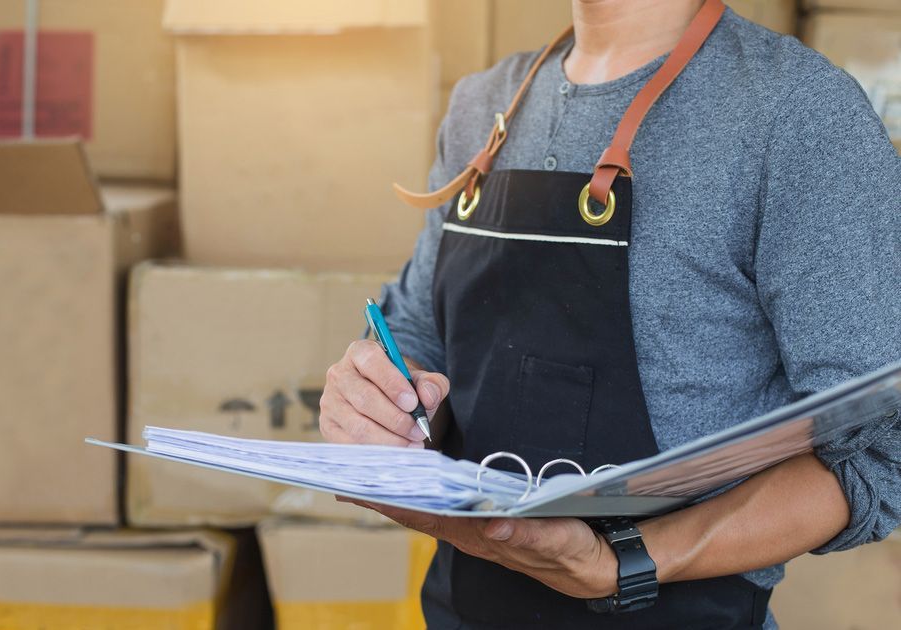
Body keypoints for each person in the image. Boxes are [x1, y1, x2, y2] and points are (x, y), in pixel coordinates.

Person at [318, 0, 901, 627]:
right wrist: (369, 400)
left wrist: (622, 561)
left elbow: (878, 451)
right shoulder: (481, 105)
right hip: (462, 606)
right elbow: (412, 336)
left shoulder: (795, 113)